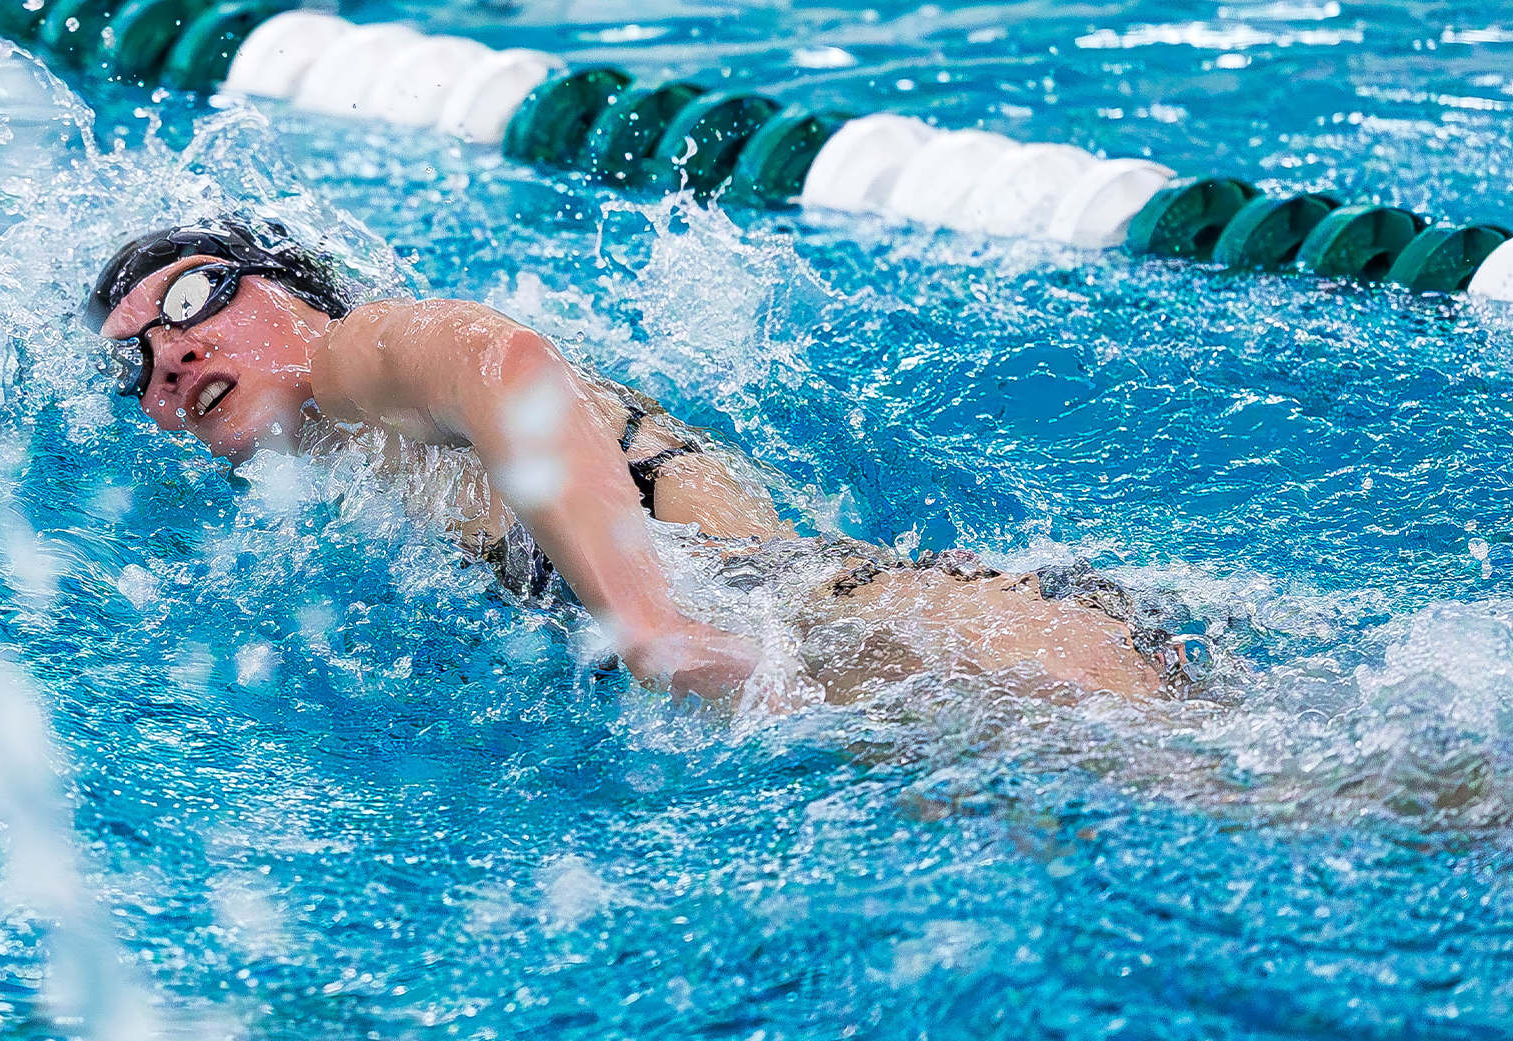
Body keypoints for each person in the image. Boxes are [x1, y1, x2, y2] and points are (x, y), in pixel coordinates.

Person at [83, 218, 1181, 706]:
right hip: (861, 639)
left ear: (293, 285)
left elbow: (500, 362)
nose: (171, 351)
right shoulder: (335, 465)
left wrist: (651, 627)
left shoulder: (357, 356)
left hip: (878, 621)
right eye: (136, 359)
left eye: (196, 294)